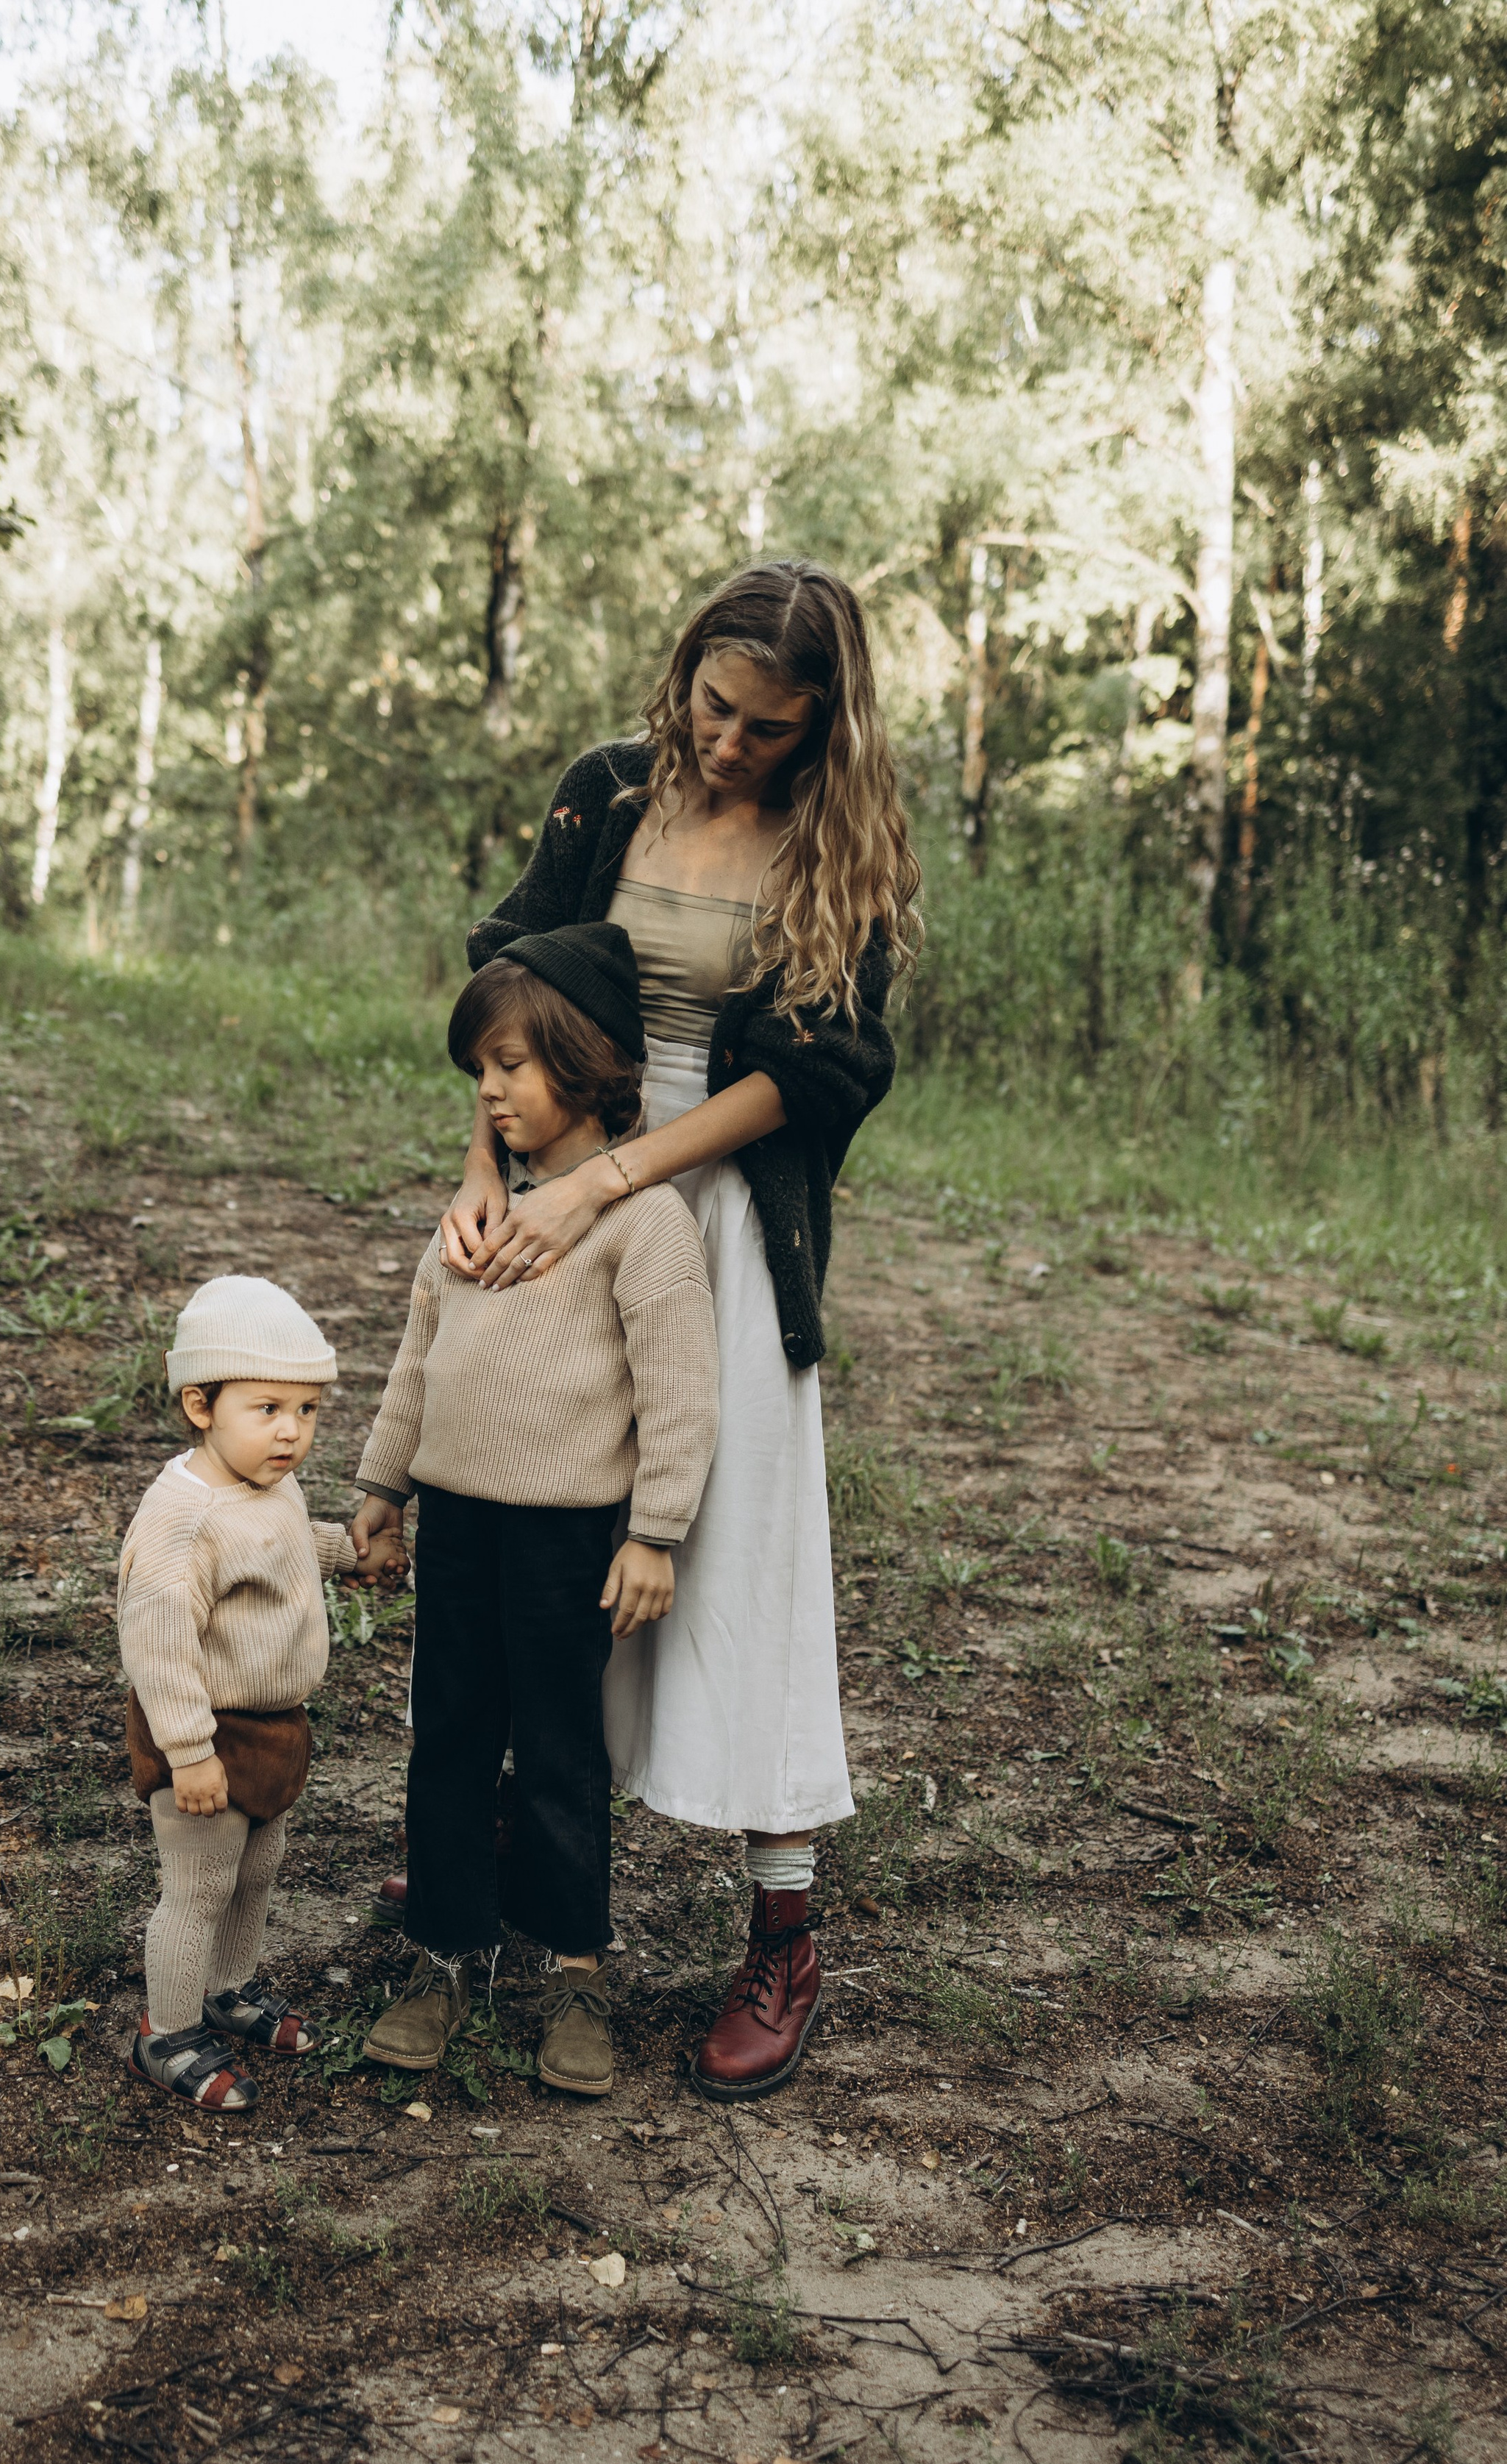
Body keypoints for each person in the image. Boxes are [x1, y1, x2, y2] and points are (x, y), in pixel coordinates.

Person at [430, 559, 921, 2102]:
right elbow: (511, 980)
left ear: (823, 725)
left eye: (768, 728)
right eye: (713, 707)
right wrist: (492, 1172)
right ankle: (510, 1852)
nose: (726, 744)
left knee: (736, 1555)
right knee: (540, 1519)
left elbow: (817, 1073)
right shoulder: (607, 793)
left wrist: (615, 1182)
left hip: (723, 1215)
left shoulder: (838, 843)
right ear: (686, 673)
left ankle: (782, 1929)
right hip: (566, 1188)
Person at [350, 925, 719, 2101]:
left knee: (561, 1750)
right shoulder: (472, 1215)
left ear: (586, 1063)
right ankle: (444, 1953)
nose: (489, 1092)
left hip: (568, 1538)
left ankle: (575, 1971)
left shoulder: (644, 1224)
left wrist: (655, 1534)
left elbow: (680, 1392)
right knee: (450, 1738)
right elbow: (418, 1364)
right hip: (457, 1526)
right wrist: (381, 1489)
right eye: (479, 1072)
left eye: (509, 1066)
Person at [119, 1275, 402, 2111]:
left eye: (307, 1410)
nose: (291, 1431)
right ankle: (167, 2032)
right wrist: (188, 1752)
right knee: (200, 1885)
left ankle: (227, 1989)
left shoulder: (266, 1485)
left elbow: (279, 1544)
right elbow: (159, 1646)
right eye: (268, 1408)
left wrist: (346, 1554)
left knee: (254, 1870)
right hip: (204, 1732)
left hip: (275, 1729)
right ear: (200, 1405)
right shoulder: (182, 1520)